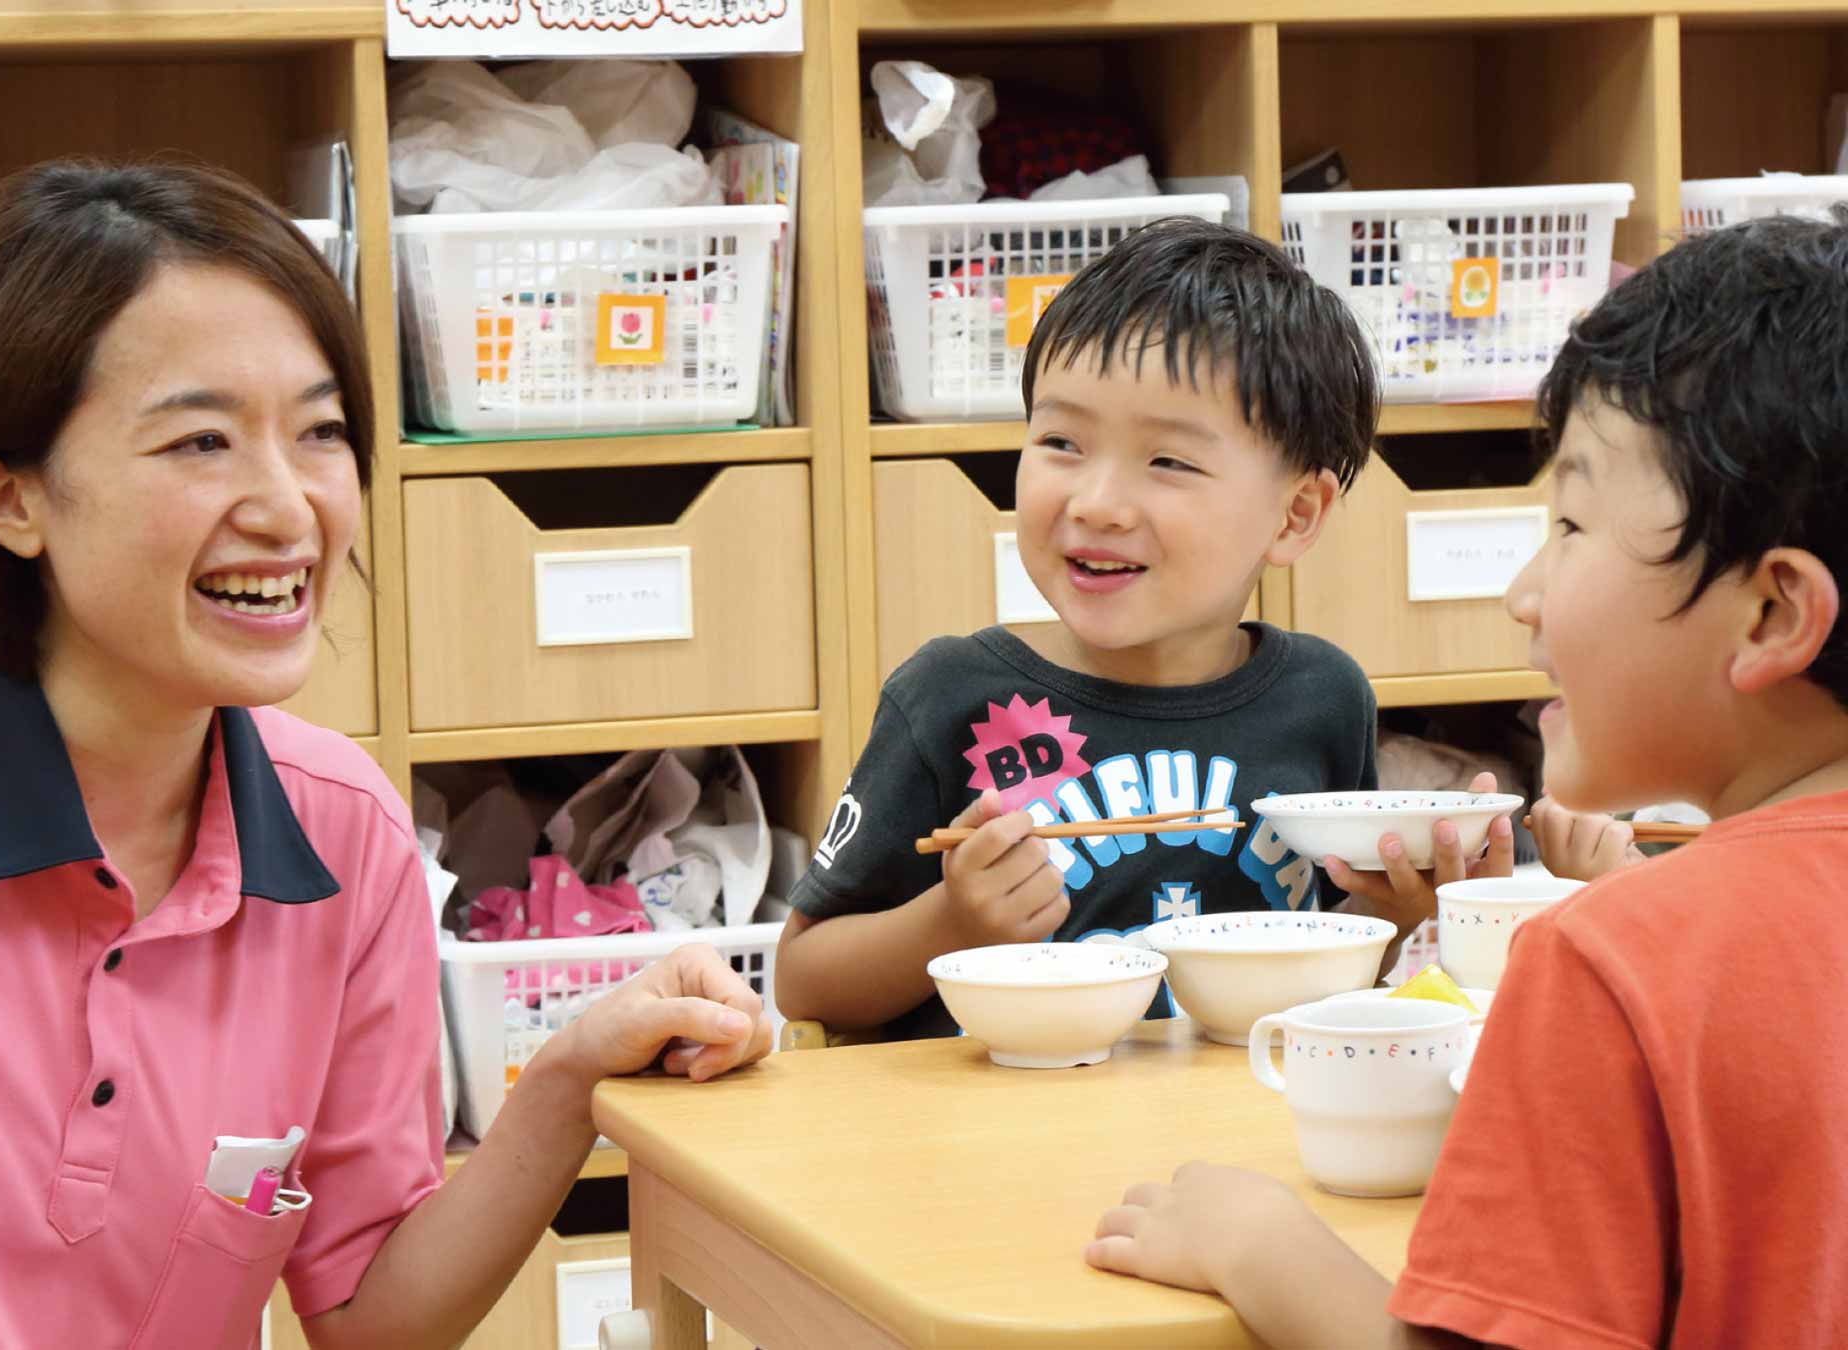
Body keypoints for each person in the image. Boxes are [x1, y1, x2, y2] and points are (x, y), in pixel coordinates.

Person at [0, 159, 771, 1349]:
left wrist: (567, 1080)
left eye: (320, 432)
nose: (288, 507)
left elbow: (370, 1317)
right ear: (10, 499)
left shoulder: (343, 830)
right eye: (200, 443)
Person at [1086, 209, 1848, 1349]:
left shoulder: (1612, 961)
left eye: (1572, 521)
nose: (1524, 590)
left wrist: (1257, 1243)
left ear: (1772, 611)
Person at [775, 216, 1514, 1040]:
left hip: (1237, 1138)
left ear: (1295, 514)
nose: (1095, 502)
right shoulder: (950, 695)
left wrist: (1398, 910)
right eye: (1060, 441)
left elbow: (1322, 974)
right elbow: (805, 981)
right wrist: (951, 923)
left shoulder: (1324, 697)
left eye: (1168, 461)